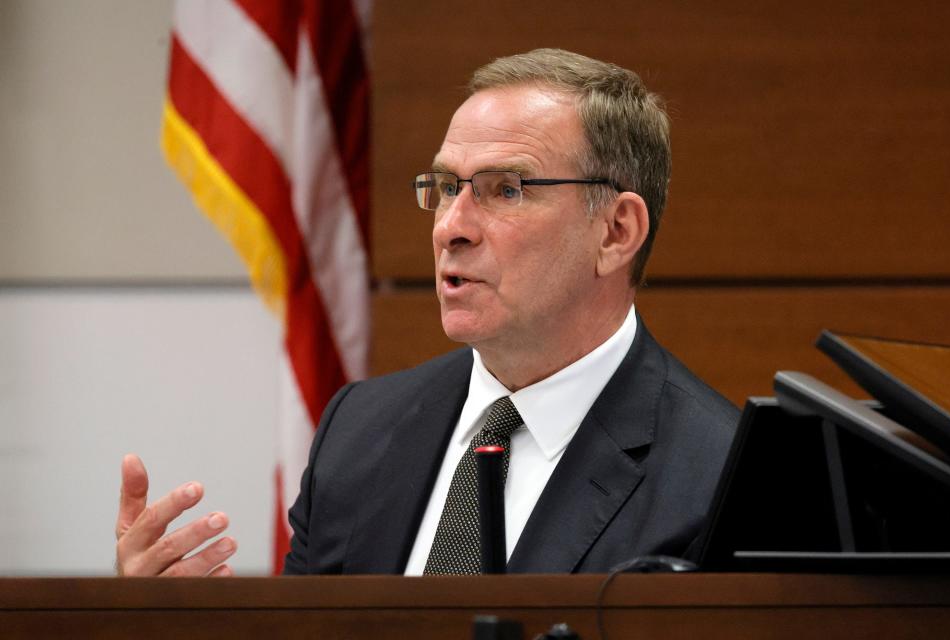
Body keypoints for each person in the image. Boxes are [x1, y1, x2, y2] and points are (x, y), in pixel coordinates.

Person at [115, 48, 739, 577]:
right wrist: (174, 625)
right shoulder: (357, 429)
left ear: (615, 232)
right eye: (445, 187)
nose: (451, 227)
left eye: (506, 189)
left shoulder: (722, 475)